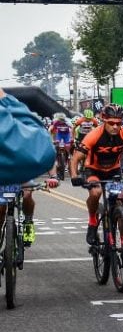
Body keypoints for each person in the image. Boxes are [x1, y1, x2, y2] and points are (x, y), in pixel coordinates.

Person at [69, 103, 123, 245]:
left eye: (118, 123)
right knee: (96, 193)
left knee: (120, 199)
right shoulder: (93, 135)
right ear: (104, 120)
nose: (115, 127)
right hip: (93, 169)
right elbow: (75, 159)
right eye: (111, 123)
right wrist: (74, 176)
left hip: (113, 171)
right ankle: (92, 221)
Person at [0, 88, 59, 246]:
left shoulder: (22, 130)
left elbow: (50, 157)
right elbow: (45, 150)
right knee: (1, 206)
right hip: (7, 175)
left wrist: (53, 176)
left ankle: (28, 222)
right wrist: (5, 99)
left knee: (27, 195)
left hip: (20, 174)